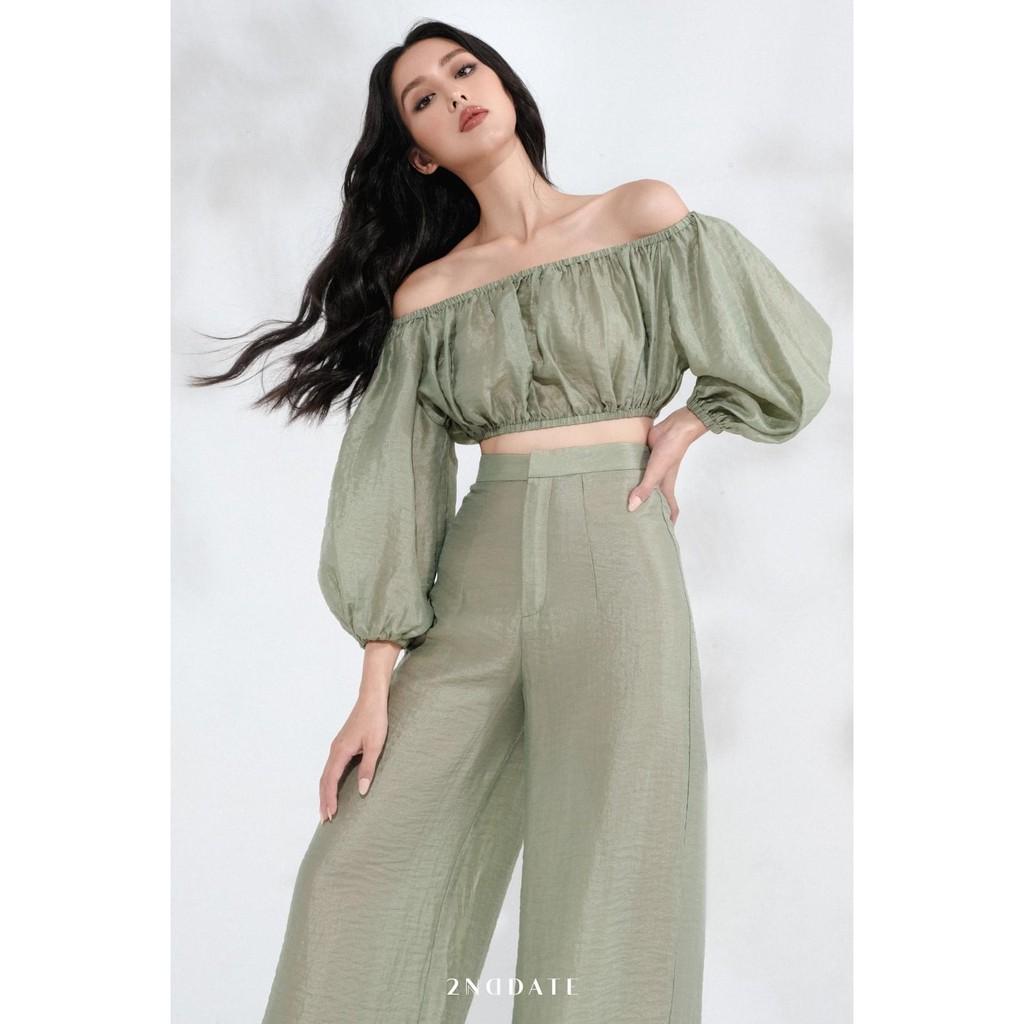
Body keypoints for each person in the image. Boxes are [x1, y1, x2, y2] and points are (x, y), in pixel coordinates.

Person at [191, 19, 833, 1024]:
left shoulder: (641, 216)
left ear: (504, 87)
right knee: (354, 868)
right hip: (480, 577)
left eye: (464, 70)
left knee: (614, 873)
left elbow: (784, 355)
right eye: (423, 99)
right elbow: (396, 484)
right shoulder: (429, 294)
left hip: (618, 558)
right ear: (418, 152)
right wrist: (374, 686)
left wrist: (694, 419)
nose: (454, 94)